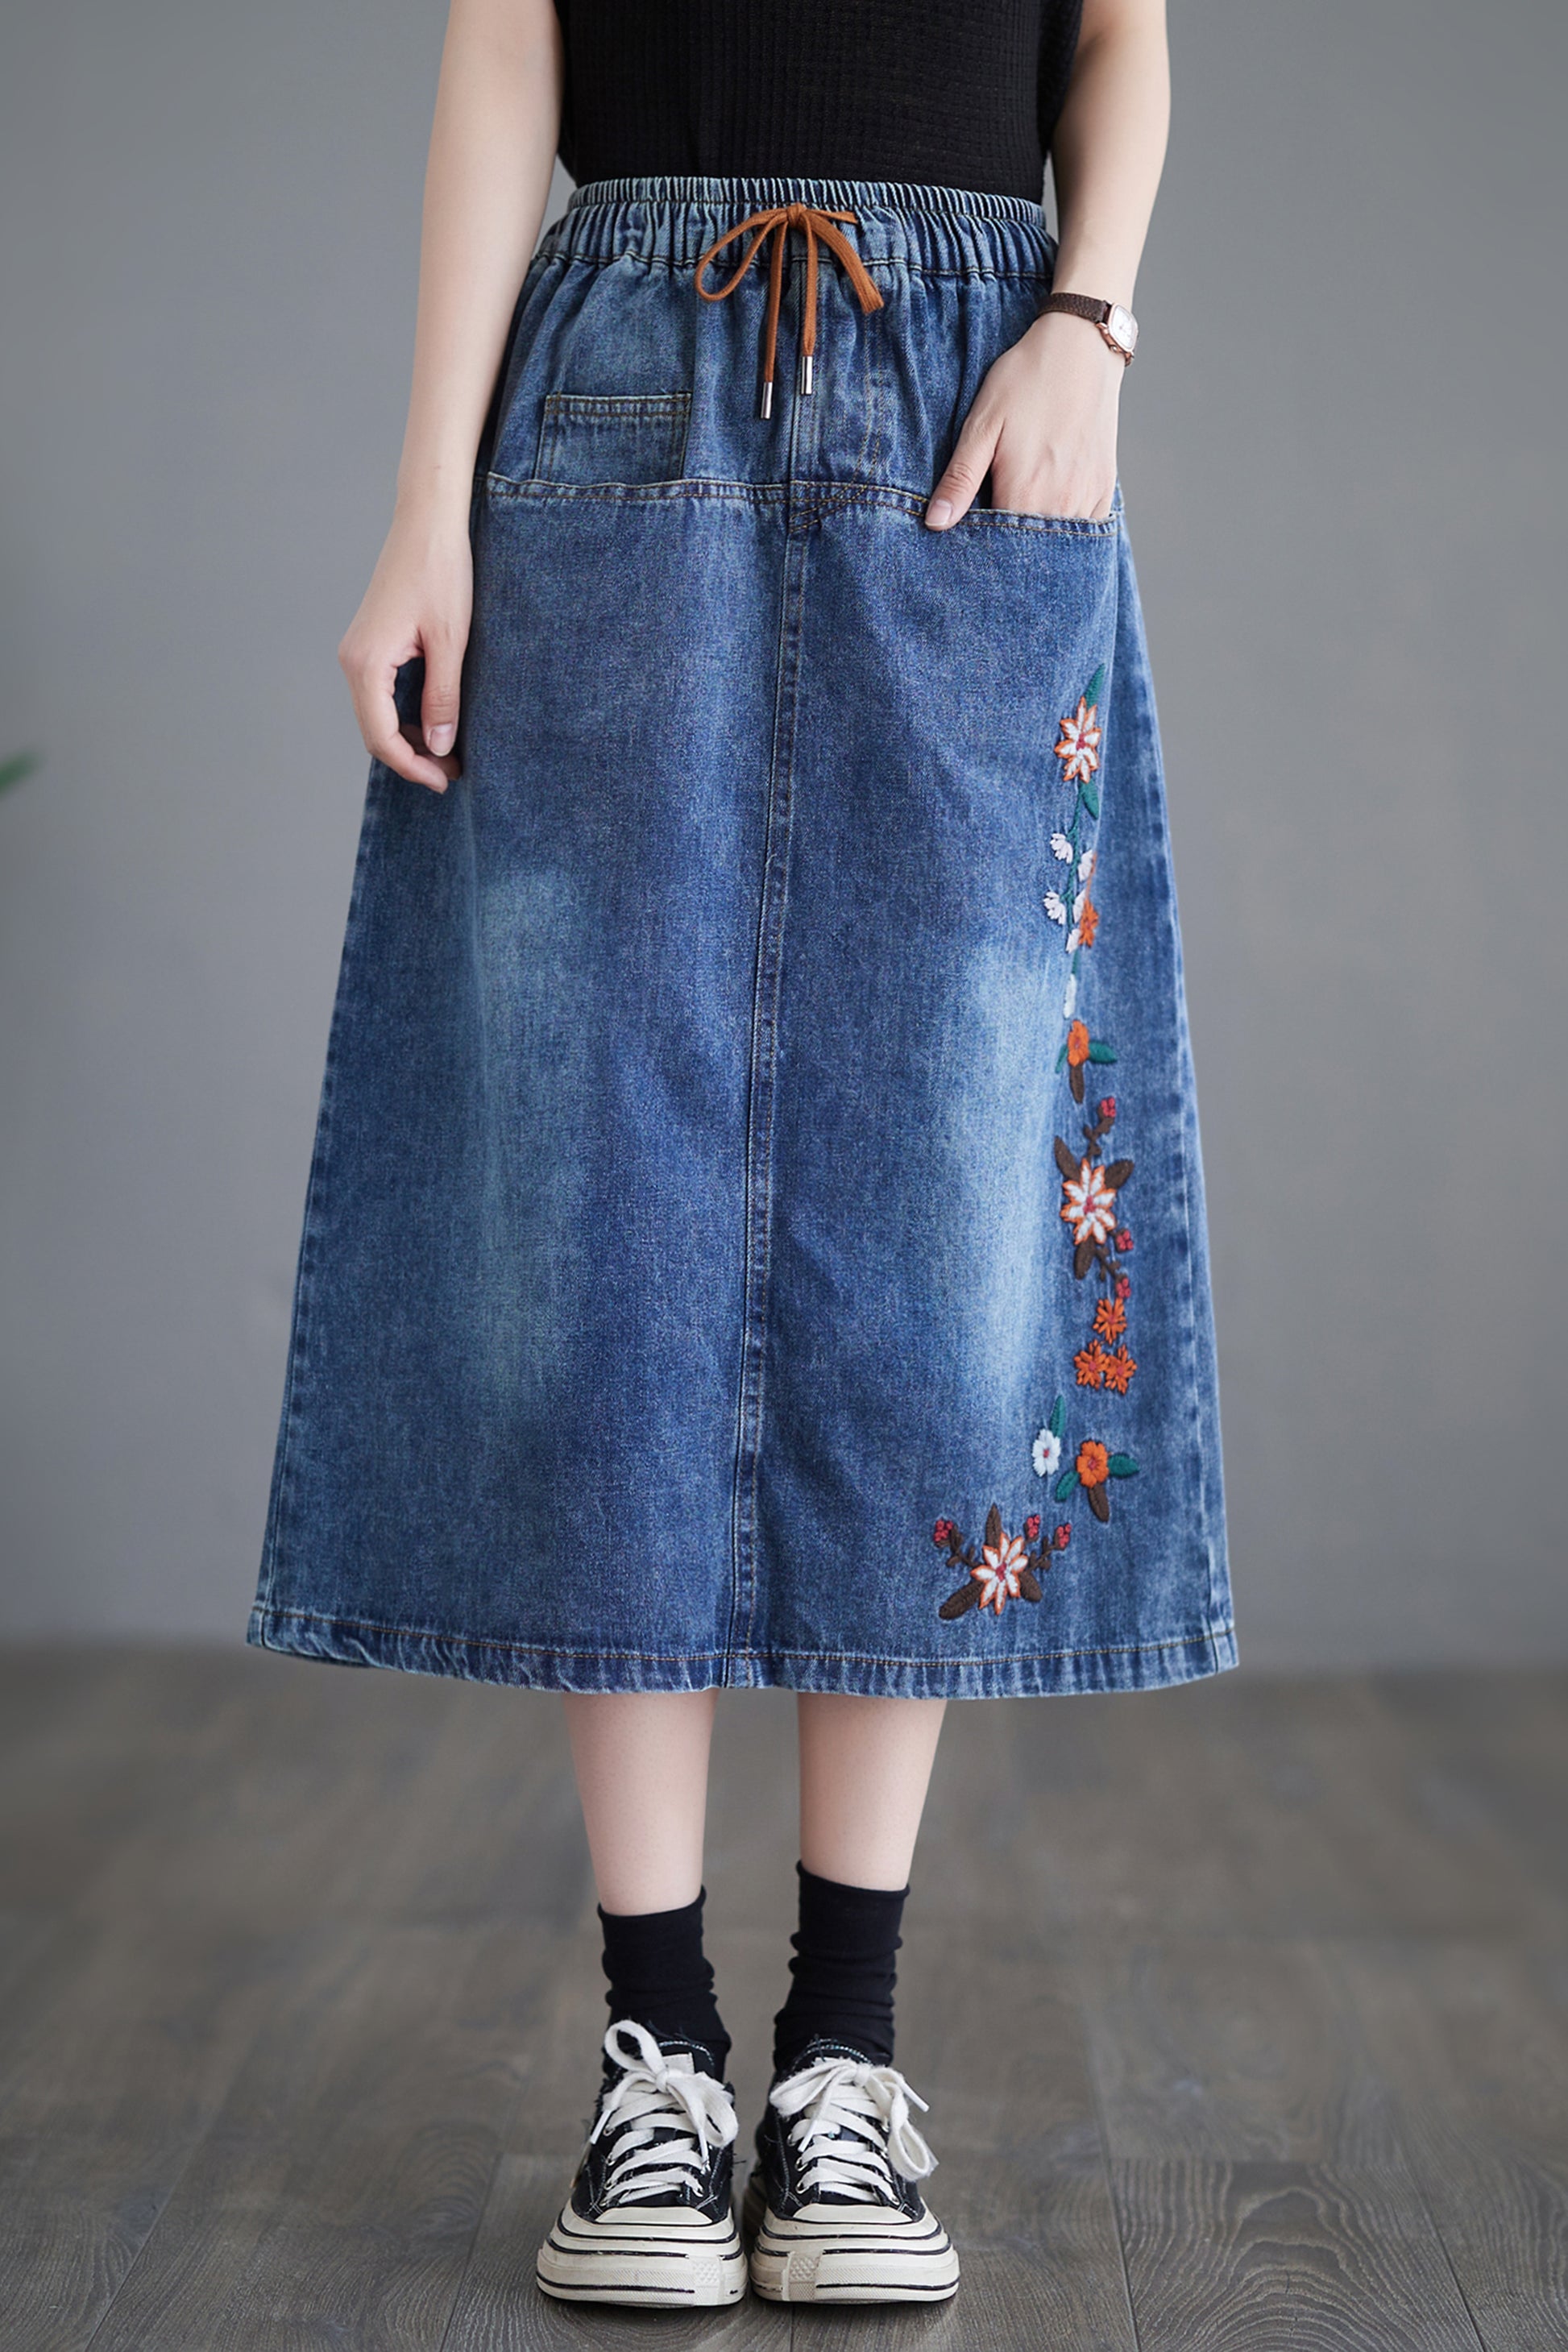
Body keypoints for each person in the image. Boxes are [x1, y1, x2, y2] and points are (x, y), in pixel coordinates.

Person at [248, 0, 1234, 2309]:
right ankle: (657, 2055)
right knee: (604, 1240)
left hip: (972, 389)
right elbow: (507, 48)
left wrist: (1091, 319)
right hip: (617, 381)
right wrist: (422, 499)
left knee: (943, 1242)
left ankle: (846, 2058)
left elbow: (1119, 29)